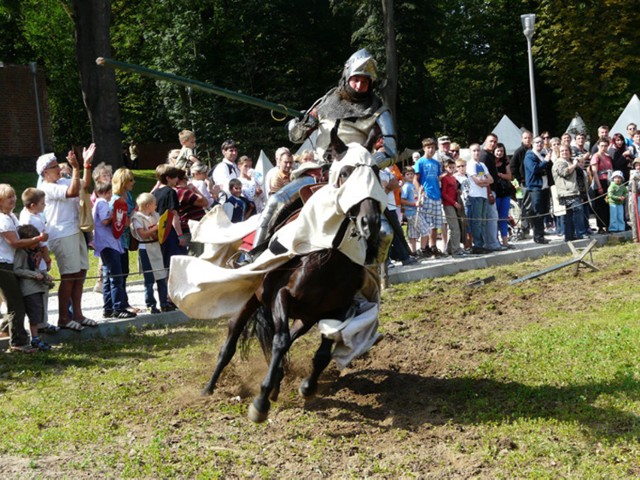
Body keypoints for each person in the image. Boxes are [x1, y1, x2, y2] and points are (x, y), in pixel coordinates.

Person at [38, 145, 97, 331]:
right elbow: (72, 192)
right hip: (62, 234)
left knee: (79, 274)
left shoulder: (63, 181)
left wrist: (86, 164)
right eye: (55, 166)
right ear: (45, 172)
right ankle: (64, 317)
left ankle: (78, 315)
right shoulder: (46, 187)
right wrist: (77, 167)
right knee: (69, 276)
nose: (59, 169)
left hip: (75, 231)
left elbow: (84, 185)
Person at [0, 183, 46, 352]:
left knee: (14, 301)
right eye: (8, 197)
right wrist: (38, 239)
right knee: (16, 304)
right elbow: (15, 242)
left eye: (13, 196)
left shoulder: (11, 216)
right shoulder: (2, 219)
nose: (12, 199)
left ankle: (5, 330)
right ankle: (18, 343)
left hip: (10, 262)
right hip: (3, 264)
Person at [92, 181, 136, 320]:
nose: (111, 196)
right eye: (109, 193)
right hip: (108, 243)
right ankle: (118, 308)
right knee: (116, 277)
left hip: (107, 243)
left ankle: (109, 308)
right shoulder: (102, 203)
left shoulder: (98, 203)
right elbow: (105, 221)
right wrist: (116, 215)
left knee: (108, 276)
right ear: (103, 193)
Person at [18, 188, 58, 334]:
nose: (45, 205)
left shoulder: (29, 213)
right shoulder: (31, 219)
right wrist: (47, 259)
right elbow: (41, 242)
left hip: (35, 256)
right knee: (41, 291)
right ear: (33, 205)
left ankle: (42, 321)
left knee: (42, 291)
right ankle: (41, 323)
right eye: (42, 203)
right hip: (37, 258)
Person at [130, 193, 175, 313]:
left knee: (161, 277)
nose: (156, 206)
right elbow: (143, 235)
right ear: (148, 205)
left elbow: (161, 231)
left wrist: (160, 229)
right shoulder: (137, 218)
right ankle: (151, 304)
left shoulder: (155, 215)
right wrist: (156, 228)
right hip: (146, 249)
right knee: (149, 280)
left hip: (156, 247)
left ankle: (164, 303)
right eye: (154, 204)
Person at [13, 224, 54, 351]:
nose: (36, 244)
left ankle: (36, 337)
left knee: (39, 312)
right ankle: (35, 338)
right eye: (33, 241)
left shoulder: (32, 252)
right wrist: (33, 275)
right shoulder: (21, 253)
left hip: (37, 287)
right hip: (29, 289)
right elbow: (17, 270)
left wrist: (45, 276)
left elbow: (36, 268)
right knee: (34, 315)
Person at [413, 138, 444, 257]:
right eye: (428, 147)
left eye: (432, 147)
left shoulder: (436, 163)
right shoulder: (420, 162)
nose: (431, 150)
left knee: (435, 224)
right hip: (426, 194)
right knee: (426, 223)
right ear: (424, 148)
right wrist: (420, 190)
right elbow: (416, 179)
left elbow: (438, 178)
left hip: (437, 195)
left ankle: (433, 246)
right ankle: (424, 247)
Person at [111, 168, 137, 313]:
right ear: (123, 181)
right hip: (117, 241)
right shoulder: (115, 199)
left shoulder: (129, 196)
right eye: (131, 180)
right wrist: (134, 215)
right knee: (118, 274)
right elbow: (121, 221)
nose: (133, 182)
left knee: (124, 272)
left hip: (126, 240)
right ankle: (118, 306)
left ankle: (124, 302)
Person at [153, 164, 187, 268]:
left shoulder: (155, 193)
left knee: (165, 261)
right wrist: (180, 235)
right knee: (178, 261)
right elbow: (174, 215)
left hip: (160, 231)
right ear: (168, 178)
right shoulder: (170, 192)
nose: (177, 179)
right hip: (170, 231)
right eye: (175, 177)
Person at [552, 145, 585, 241]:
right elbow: (564, 172)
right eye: (562, 151)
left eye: (566, 150)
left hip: (573, 191)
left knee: (570, 215)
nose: (564, 152)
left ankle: (570, 236)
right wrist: (574, 165)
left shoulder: (569, 161)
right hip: (566, 192)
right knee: (577, 211)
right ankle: (580, 233)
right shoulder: (559, 162)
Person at [479, 133, 505, 251]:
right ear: (485, 140)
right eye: (491, 141)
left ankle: (492, 242)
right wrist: (489, 192)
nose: (493, 144)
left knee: (492, 218)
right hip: (487, 191)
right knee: (491, 218)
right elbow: (482, 176)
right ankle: (492, 244)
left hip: (491, 190)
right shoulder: (483, 156)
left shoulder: (489, 155)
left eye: (495, 141)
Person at [524, 136, 551, 244]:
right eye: (537, 142)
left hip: (545, 187)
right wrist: (545, 161)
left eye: (541, 142)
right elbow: (534, 169)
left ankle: (541, 235)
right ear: (532, 144)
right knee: (537, 213)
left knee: (544, 212)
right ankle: (538, 237)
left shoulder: (543, 155)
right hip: (535, 188)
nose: (539, 144)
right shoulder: (529, 156)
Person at [466, 144, 493, 253]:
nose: (476, 153)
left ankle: (482, 243)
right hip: (475, 195)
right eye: (474, 150)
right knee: (477, 221)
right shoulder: (470, 165)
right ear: (470, 152)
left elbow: (491, 179)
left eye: (478, 150)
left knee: (482, 221)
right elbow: (476, 181)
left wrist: (484, 183)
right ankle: (477, 245)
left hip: (483, 195)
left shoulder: (482, 164)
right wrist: (483, 182)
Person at [175, 169, 208, 256]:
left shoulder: (177, 191)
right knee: (196, 255)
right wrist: (194, 189)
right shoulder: (184, 192)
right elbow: (205, 202)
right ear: (181, 180)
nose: (188, 181)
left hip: (189, 227)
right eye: (186, 178)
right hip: (192, 228)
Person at [510, 130, 533, 238]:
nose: (527, 140)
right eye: (525, 138)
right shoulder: (519, 151)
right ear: (522, 139)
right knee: (524, 206)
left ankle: (531, 228)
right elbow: (513, 166)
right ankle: (524, 229)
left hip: (532, 183)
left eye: (529, 137)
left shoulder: (533, 150)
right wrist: (519, 180)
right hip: (522, 184)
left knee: (532, 207)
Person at [440, 158, 465, 256]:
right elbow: (444, 194)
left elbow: (453, 190)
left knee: (457, 227)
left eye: (453, 167)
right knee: (455, 228)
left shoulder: (454, 178)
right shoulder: (445, 178)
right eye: (449, 167)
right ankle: (456, 250)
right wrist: (454, 203)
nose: (452, 169)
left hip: (455, 204)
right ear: (445, 168)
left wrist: (458, 192)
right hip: (448, 205)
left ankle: (450, 248)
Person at [400, 167, 426, 254]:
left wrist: (419, 197)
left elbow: (415, 199)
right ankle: (422, 250)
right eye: (407, 174)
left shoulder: (412, 186)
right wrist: (414, 204)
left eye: (411, 174)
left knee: (413, 234)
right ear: (404, 176)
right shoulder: (406, 186)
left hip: (415, 211)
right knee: (426, 230)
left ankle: (413, 252)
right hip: (412, 213)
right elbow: (402, 200)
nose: (410, 175)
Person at [590, 137, 613, 233]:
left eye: (605, 145)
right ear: (598, 146)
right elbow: (594, 172)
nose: (603, 147)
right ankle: (600, 227)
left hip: (608, 181)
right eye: (602, 145)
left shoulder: (608, 156)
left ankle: (608, 225)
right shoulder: (596, 156)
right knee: (600, 205)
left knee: (608, 204)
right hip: (600, 181)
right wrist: (599, 186)